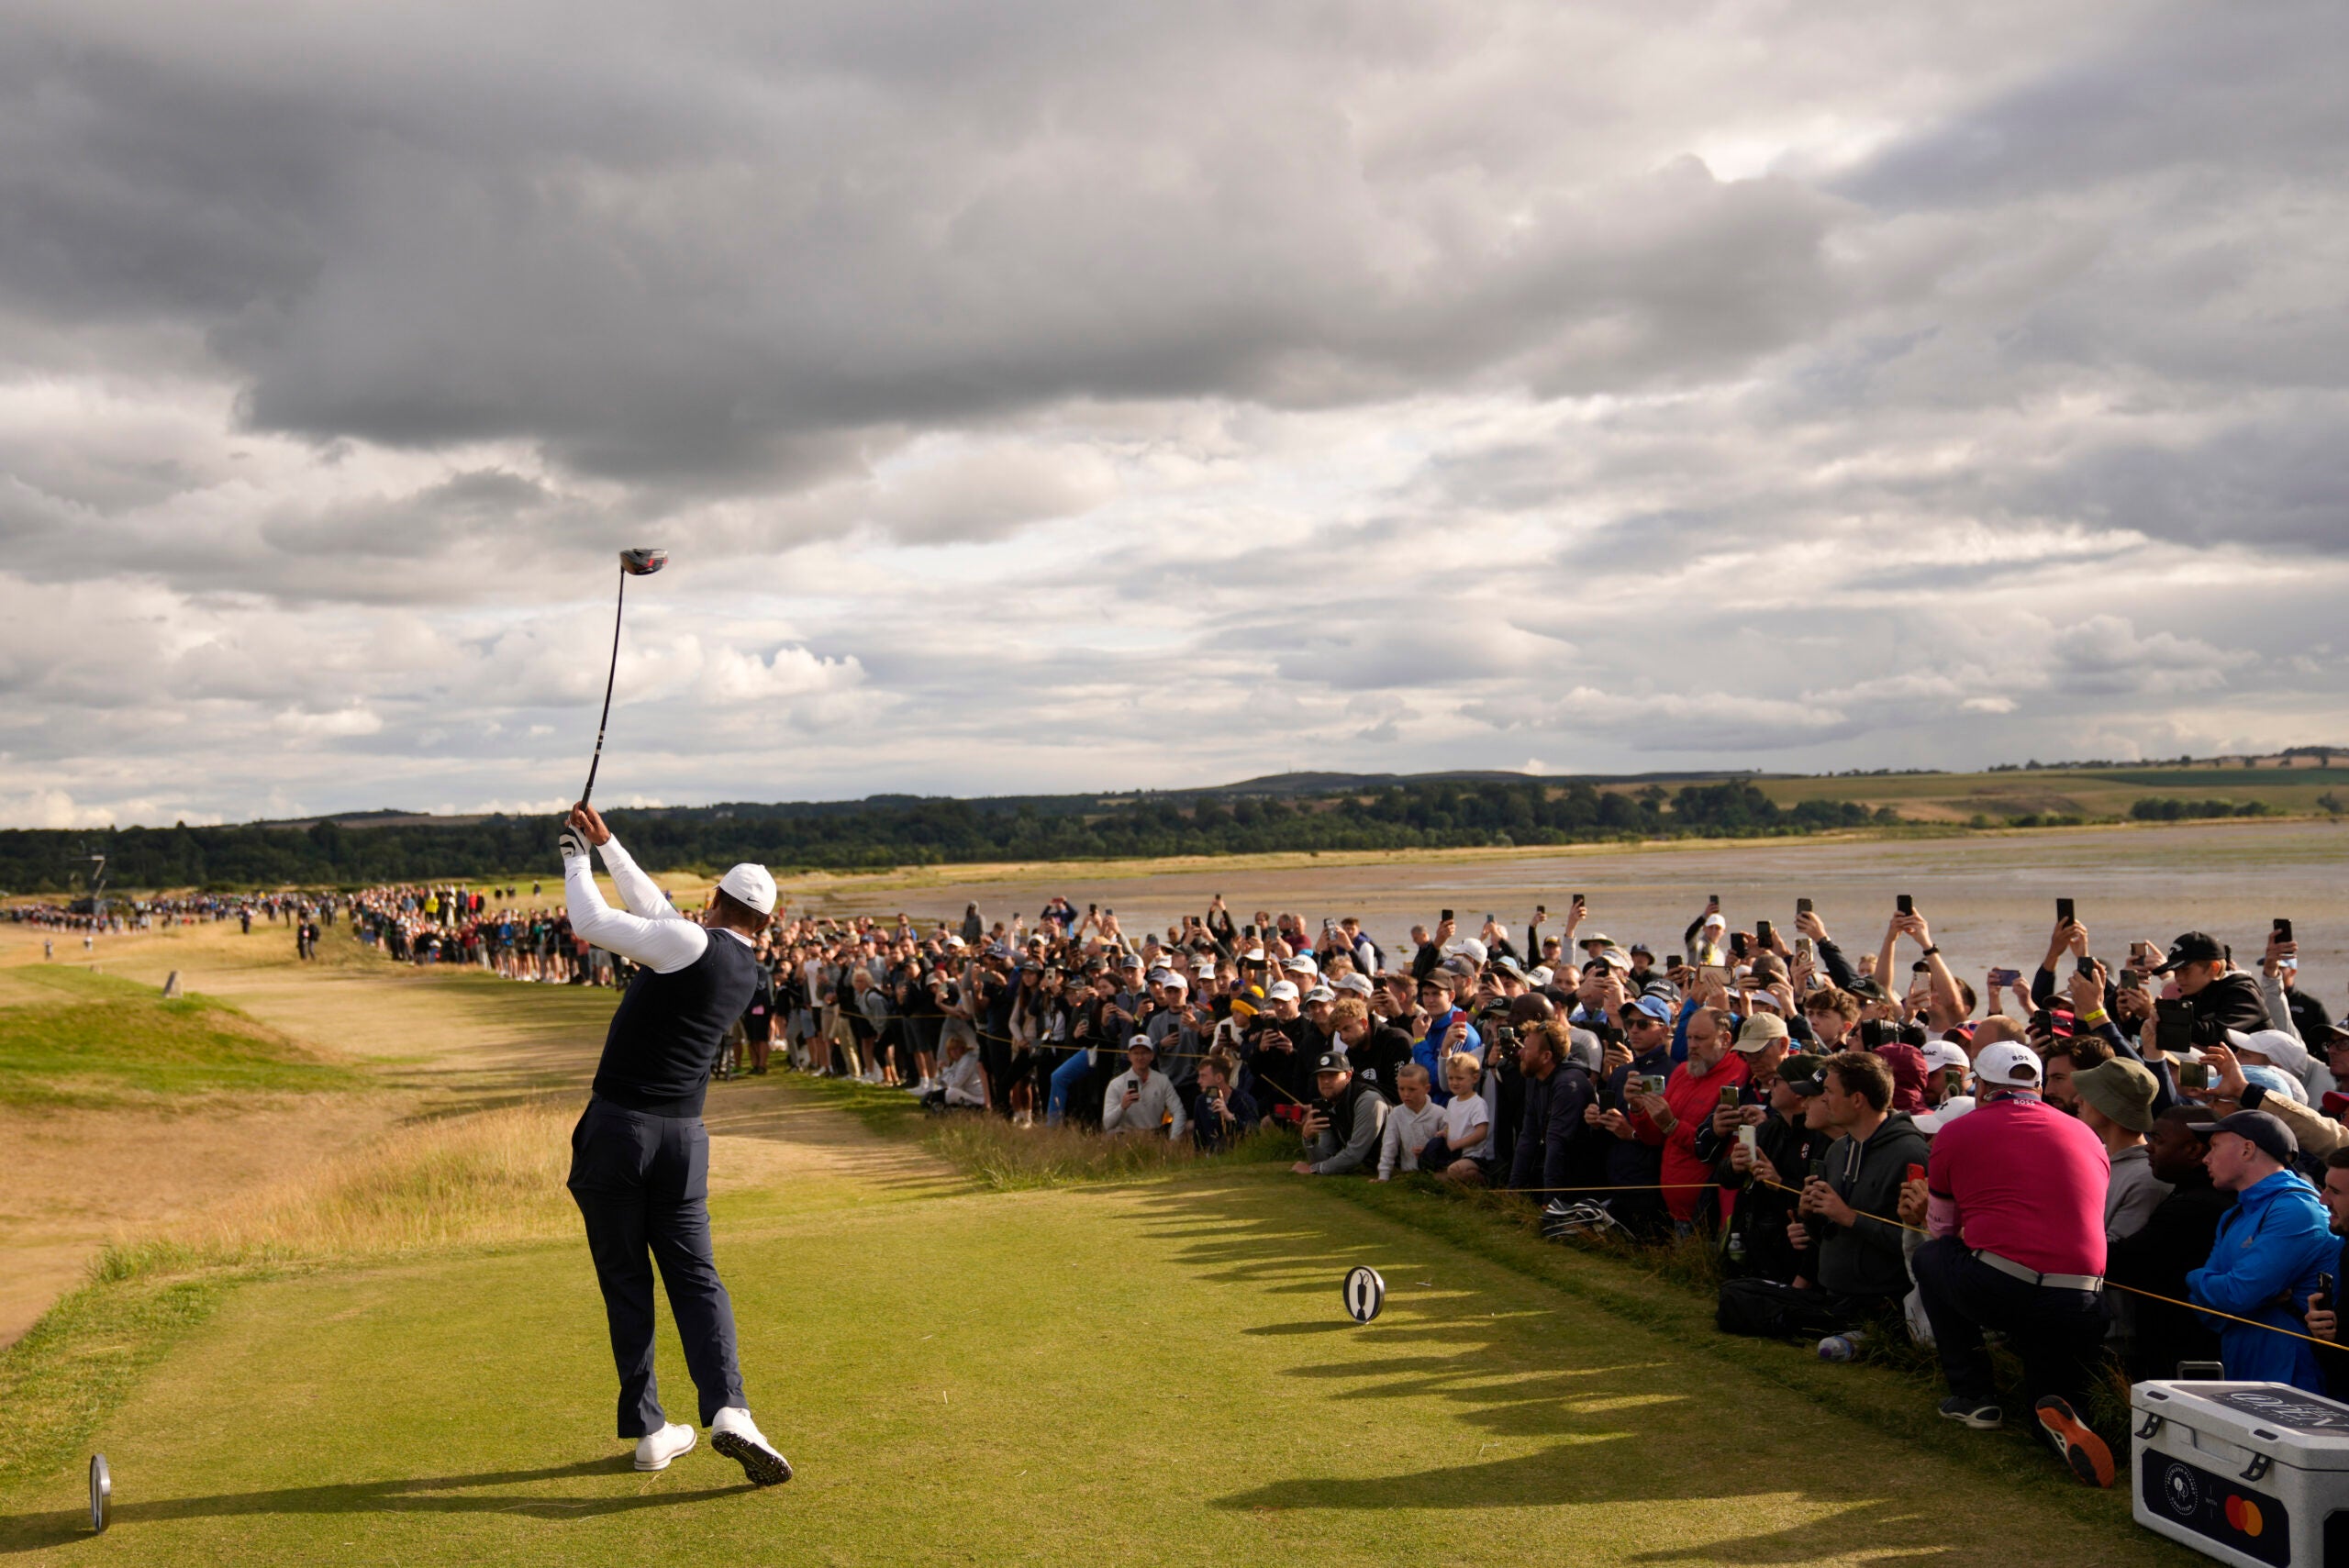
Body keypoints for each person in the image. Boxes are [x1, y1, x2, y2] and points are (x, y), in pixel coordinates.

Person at [557, 801, 792, 1486]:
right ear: (766, 922)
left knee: (627, 1280)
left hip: (619, 1132)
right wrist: (609, 845)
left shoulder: (693, 943)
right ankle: (730, 1410)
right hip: (684, 1139)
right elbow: (660, 914)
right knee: (696, 1275)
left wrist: (573, 857)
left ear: (715, 900)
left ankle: (651, 1429)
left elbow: (593, 922)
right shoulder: (742, 966)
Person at [1913, 1040, 2112, 1489]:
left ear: (1980, 1087)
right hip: (2082, 1296)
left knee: (1932, 1258)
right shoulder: (2085, 1133)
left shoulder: (1957, 1132)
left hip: (2005, 1287)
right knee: (2047, 1395)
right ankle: (2065, 1416)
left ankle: (1973, 1395)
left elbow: (1942, 1229)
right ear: (2038, 1087)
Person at [2186, 1108, 2336, 1393]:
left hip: (2294, 1379)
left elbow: (2238, 1295)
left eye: (2215, 1146)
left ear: (2247, 1149)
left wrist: (2194, 1277)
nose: (2206, 1157)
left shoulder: (2296, 1209)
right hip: (2242, 1369)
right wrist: (2232, 1292)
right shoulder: (2233, 1216)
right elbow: (2203, 1309)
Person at [2106, 1106, 2229, 1383]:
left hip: (2184, 1353)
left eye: (2159, 1141)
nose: (2149, 1148)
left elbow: (2124, 1263)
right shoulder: (2189, 1195)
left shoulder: (2194, 1206)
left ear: (2194, 1150)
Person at [2072, 1058, 2167, 1240]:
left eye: (2089, 1094)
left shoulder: (2148, 1179)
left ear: (2109, 1106)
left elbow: (2114, 1250)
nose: (2077, 1100)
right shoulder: (2094, 1156)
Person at [1293, 1051, 1388, 1177]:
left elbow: (1354, 1155)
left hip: (1400, 1168)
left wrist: (1315, 1169)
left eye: (1332, 1075)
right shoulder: (1327, 1103)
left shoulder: (1368, 1101)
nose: (1326, 1081)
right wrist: (1308, 1140)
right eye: (1321, 1076)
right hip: (1372, 1167)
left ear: (1348, 1075)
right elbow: (1326, 1156)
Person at [1103, 1036, 1186, 1140]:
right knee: (1109, 1136)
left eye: (1144, 1053)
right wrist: (1122, 1107)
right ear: (1129, 1056)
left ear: (1151, 1055)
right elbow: (1107, 1124)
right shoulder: (1116, 1084)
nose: (1140, 1057)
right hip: (1127, 1135)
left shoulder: (1162, 1080)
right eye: (1136, 1053)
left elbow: (1178, 1111)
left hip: (1155, 1134)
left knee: (1189, 1126)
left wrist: (1174, 1140)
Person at [1377, 1062, 1445, 1181]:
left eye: (1412, 1089)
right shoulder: (1396, 1114)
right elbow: (1389, 1146)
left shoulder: (1439, 1114)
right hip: (1408, 1173)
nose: (1406, 1094)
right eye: (1401, 1089)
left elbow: (1448, 1145)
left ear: (1427, 1089)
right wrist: (1383, 1176)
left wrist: (1428, 1151)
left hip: (1435, 1172)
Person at [1192, 1051, 1258, 1152]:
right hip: (1211, 1158)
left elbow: (1254, 1132)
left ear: (1219, 1077)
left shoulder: (1244, 1100)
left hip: (1241, 1153)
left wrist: (1230, 1117)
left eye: (1203, 1076)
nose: (1199, 1081)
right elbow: (1199, 1138)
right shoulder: (1201, 1102)